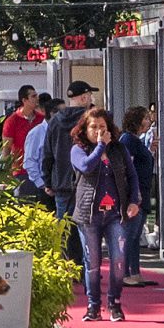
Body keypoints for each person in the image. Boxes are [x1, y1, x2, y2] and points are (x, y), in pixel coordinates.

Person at [68, 107, 139, 321]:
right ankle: (93, 305)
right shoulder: (78, 150)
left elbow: (132, 176)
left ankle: (114, 303)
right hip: (89, 215)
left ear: (109, 128)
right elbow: (86, 167)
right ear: (84, 129)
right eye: (93, 127)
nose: (98, 131)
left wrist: (134, 200)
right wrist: (100, 146)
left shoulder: (119, 149)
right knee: (92, 262)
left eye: (102, 127)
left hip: (116, 213)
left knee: (118, 260)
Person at [48, 83, 97, 263]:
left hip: (61, 184)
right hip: (87, 182)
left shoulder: (54, 121)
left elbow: (47, 154)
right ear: (83, 97)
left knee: (65, 231)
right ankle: (87, 269)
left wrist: (48, 182)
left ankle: (68, 266)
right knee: (88, 231)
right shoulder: (90, 121)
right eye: (89, 95)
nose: (91, 98)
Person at [120, 105, 157, 284]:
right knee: (130, 234)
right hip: (136, 194)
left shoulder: (136, 140)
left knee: (135, 235)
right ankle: (125, 273)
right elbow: (127, 168)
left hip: (142, 190)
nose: (148, 121)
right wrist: (133, 194)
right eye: (145, 118)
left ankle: (134, 272)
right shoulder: (128, 140)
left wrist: (150, 151)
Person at [20, 98, 57, 207]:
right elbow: (29, 161)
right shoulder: (37, 132)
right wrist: (43, 184)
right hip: (42, 189)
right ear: (52, 113)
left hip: (60, 188)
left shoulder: (61, 132)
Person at [1, 86, 43, 182]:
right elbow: (6, 149)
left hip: (40, 171)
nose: (37, 98)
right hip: (21, 172)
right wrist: (6, 174)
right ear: (24, 100)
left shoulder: (41, 119)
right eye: (33, 96)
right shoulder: (12, 121)